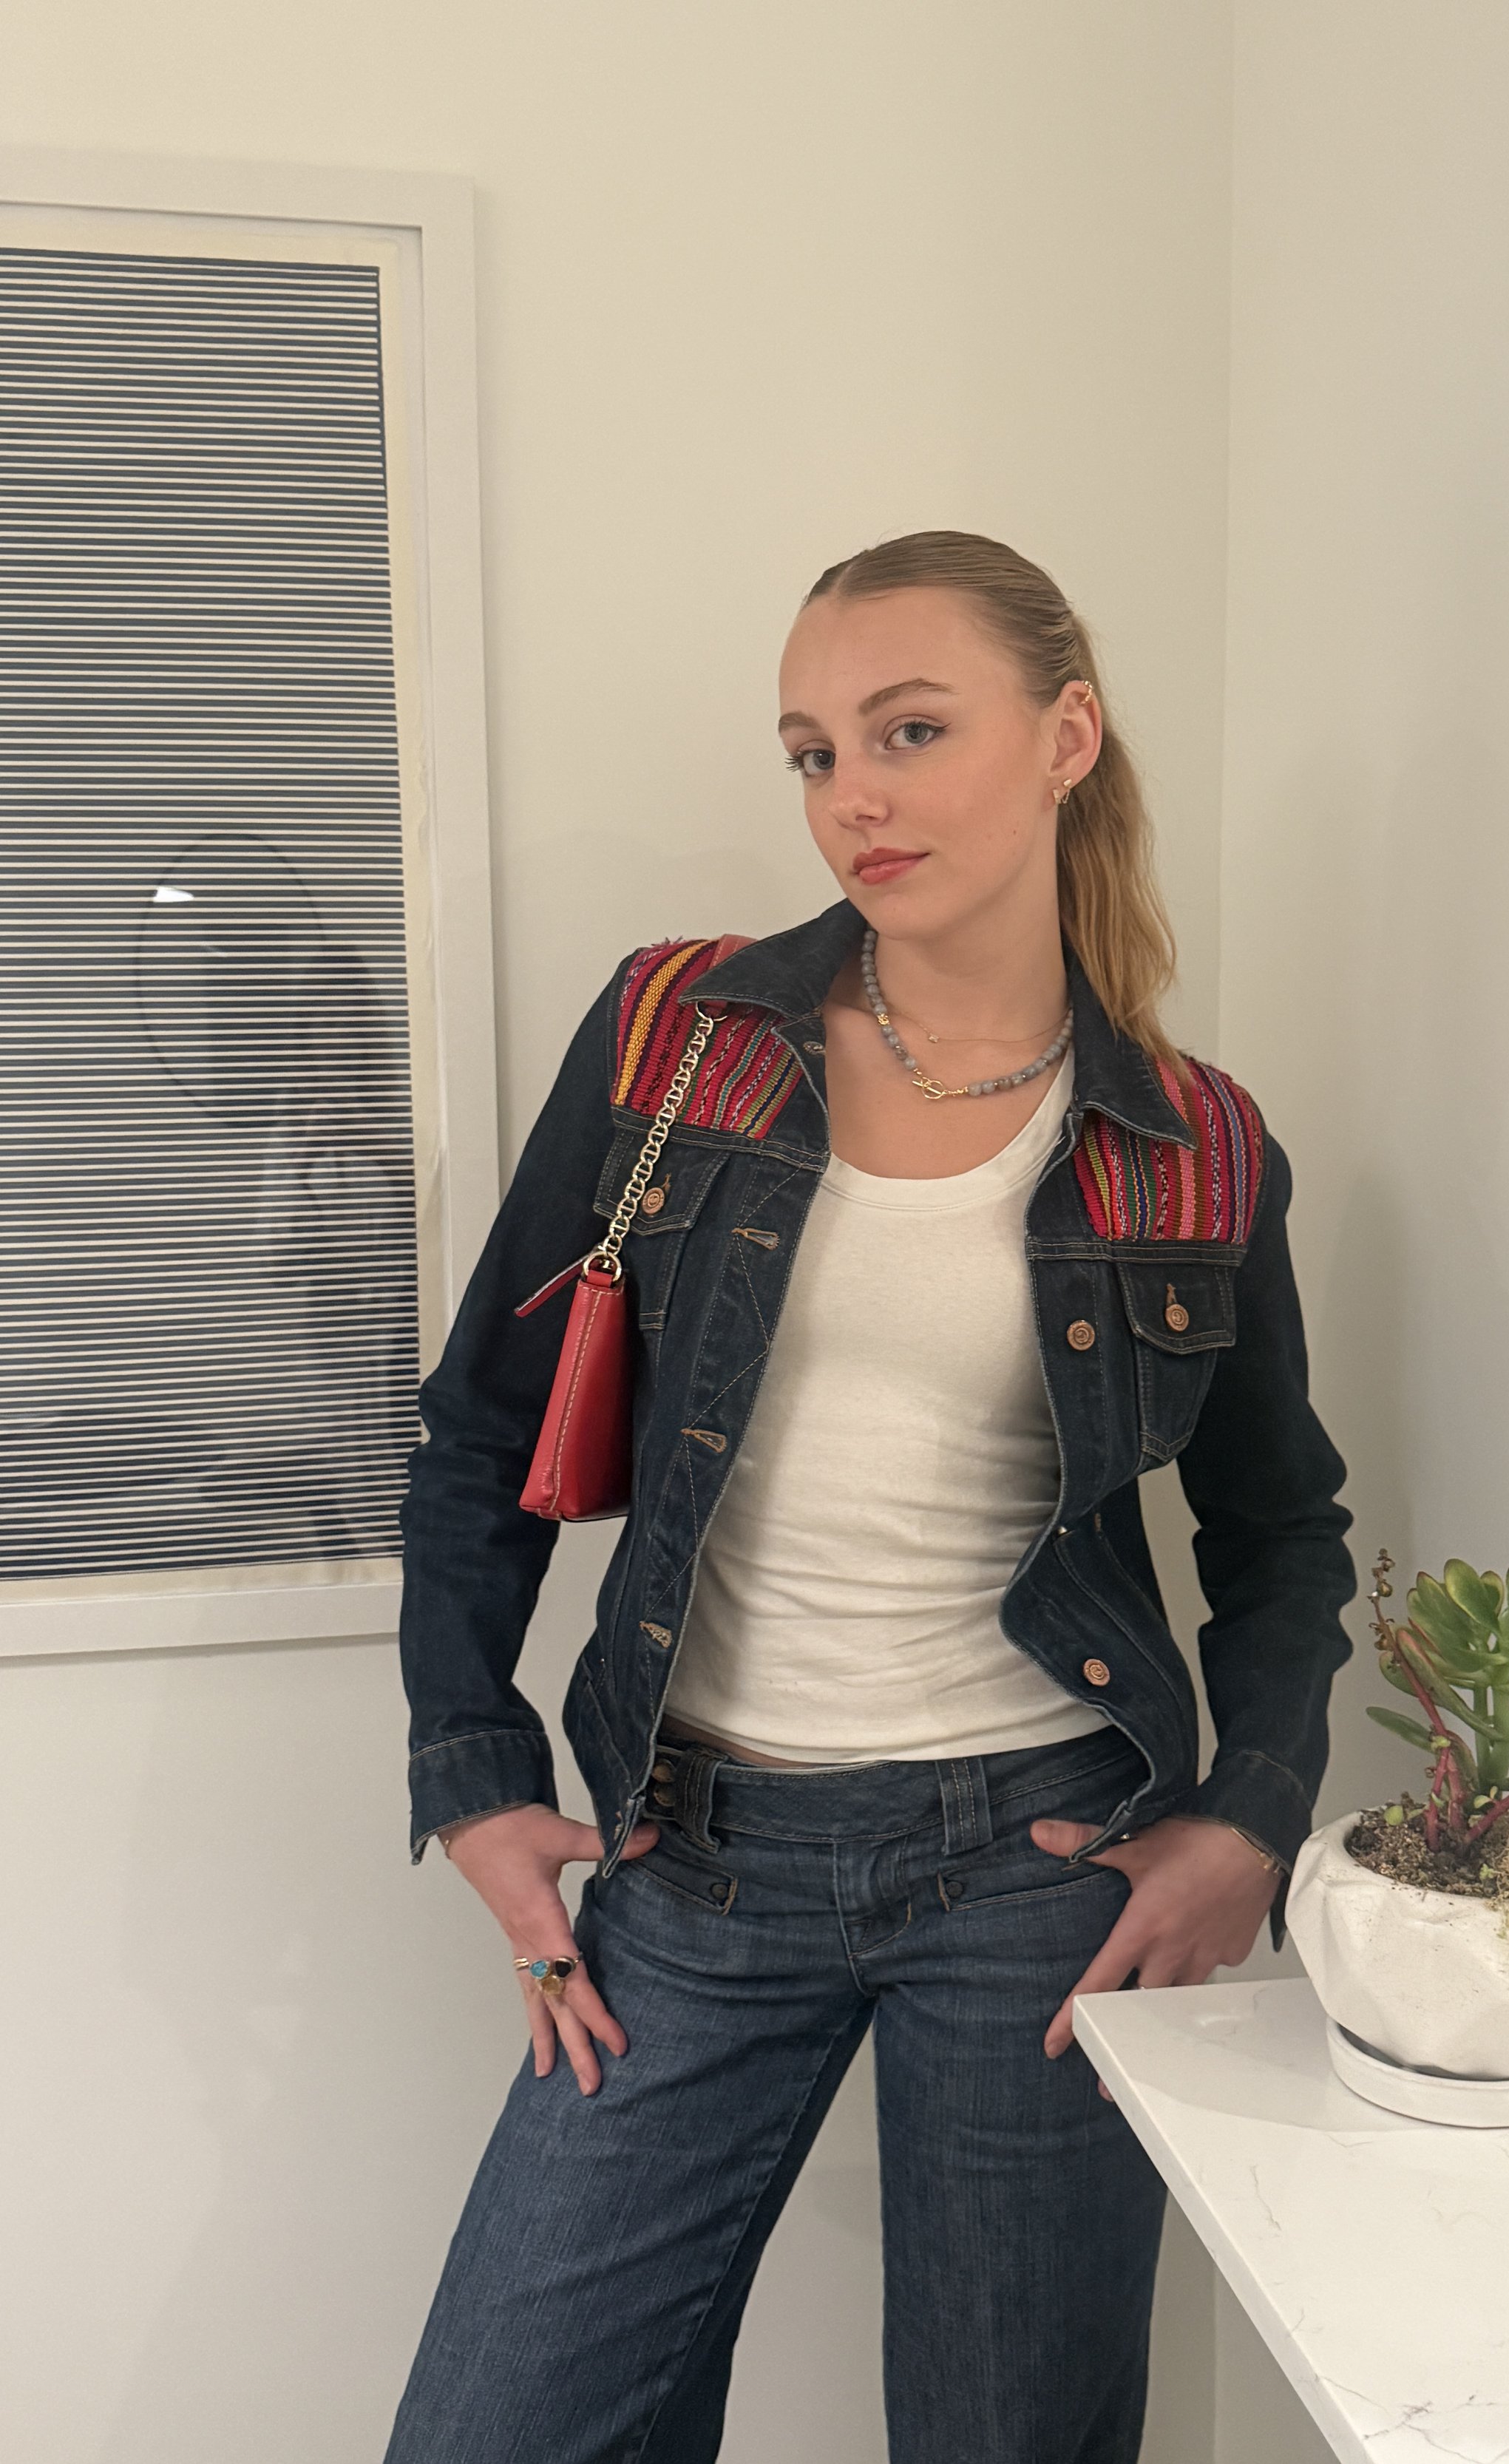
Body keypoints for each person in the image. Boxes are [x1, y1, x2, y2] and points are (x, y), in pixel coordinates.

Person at [386, 530, 1355, 2464]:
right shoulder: (684, 1036)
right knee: (501, 2424)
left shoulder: (1190, 1140)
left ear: (1065, 733)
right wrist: (473, 1770)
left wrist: (1247, 1821)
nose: (855, 797)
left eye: (909, 731)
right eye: (813, 751)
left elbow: (1279, 1533)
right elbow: (481, 1432)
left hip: (1040, 1877)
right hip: (693, 1862)